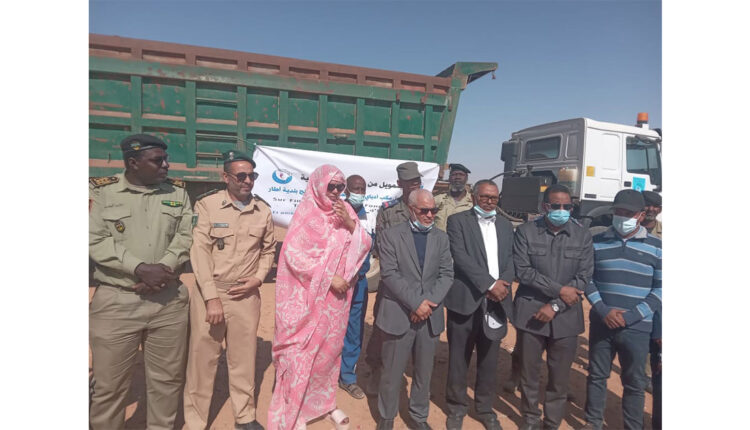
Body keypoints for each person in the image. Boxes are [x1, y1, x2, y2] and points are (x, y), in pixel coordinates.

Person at [89, 134, 193, 430]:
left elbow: (185, 235)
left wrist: (162, 268)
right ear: (133, 163)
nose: (166, 165)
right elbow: (94, 238)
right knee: (110, 387)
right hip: (117, 302)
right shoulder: (101, 192)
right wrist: (139, 268)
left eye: (165, 159)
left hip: (168, 302)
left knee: (167, 382)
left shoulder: (178, 192)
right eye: (158, 160)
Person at [268, 165, 372, 430]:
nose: (336, 191)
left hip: (336, 301)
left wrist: (350, 224)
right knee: (300, 354)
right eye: (331, 186)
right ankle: (295, 409)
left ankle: (323, 404)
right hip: (307, 299)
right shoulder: (306, 213)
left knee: (328, 353)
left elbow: (365, 243)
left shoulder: (346, 211)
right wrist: (328, 278)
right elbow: (293, 257)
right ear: (317, 185)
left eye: (340, 187)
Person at [184, 150, 276, 430]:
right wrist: (211, 297)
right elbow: (199, 251)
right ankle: (195, 421)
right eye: (241, 176)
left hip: (246, 296)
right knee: (202, 360)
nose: (248, 180)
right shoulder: (207, 206)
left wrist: (258, 278)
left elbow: (268, 250)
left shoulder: (262, 210)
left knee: (243, 359)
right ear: (226, 177)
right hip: (211, 293)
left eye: (252, 175)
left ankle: (244, 416)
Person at [512, 184, 594, 430]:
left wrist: (556, 305)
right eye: (556, 205)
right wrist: (560, 291)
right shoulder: (526, 232)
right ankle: (530, 418)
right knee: (529, 373)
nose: (562, 210)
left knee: (559, 377)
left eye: (567, 206)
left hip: (566, 316)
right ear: (545, 206)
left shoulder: (582, 236)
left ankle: (552, 422)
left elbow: (583, 277)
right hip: (531, 313)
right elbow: (523, 271)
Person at [582, 189, 662, 430]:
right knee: (597, 376)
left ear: (641, 215)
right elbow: (587, 279)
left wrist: (632, 316)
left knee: (635, 383)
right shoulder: (597, 241)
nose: (622, 217)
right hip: (602, 322)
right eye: (618, 212)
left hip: (637, 327)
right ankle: (593, 422)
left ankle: (633, 426)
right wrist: (603, 310)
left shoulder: (657, 247)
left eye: (628, 213)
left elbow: (661, 289)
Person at [375, 189, 454, 430]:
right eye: (424, 211)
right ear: (411, 209)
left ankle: (419, 416)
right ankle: (387, 416)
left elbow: (446, 274)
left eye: (433, 210)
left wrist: (426, 303)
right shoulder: (390, 236)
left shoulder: (441, 238)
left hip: (429, 316)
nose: (430, 215)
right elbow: (390, 274)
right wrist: (415, 303)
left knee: (424, 372)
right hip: (399, 314)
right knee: (392, 371)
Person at [444, 180, 515, 430]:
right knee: (458, 358)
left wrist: (503, 285)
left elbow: (511, 258)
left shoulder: (505, 225)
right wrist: (489, 284)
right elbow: (460, 257)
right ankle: (456, 407)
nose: (489, 201)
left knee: (489, 359)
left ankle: (485, 408)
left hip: (496, 302)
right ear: (474, 197)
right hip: (465, 300)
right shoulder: (457, 222)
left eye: (493, 198)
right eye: (484, 197)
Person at [364, 161, 423, 394]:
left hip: (420, 283)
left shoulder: (427, 208)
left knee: (420, 331)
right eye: (410, 182)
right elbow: (381, 247)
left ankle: (417, 379)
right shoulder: (388, 211)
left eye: (417, 181)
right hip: (393, 282)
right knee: (382, 329)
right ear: (400, 184)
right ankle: (376, 371)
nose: (415, 185)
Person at [338, 174, 375, 399]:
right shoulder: (336, 212)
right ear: (346, 190)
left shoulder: (370, 216)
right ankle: (324, 374)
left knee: (354, 331)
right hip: (336, 284)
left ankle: (347, 377)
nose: (359, 193)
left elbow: (371, 245)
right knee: (331, 329)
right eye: (355, 189)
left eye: (363, 189)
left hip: (359, 283)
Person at [641, 189, 662, 429]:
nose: (652, 209)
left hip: (657, 298)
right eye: (648, 205)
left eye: (657, 206)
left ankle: (647, 374)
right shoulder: (629, 230)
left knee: (655, 340)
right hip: (633, 297)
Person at [434, 163, 474, 231]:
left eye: (461, 174)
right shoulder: (437, 200)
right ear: (449, 178)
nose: (457, 177)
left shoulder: (473, 202)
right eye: (454, 174)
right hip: (441, 237)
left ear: (466, 178)